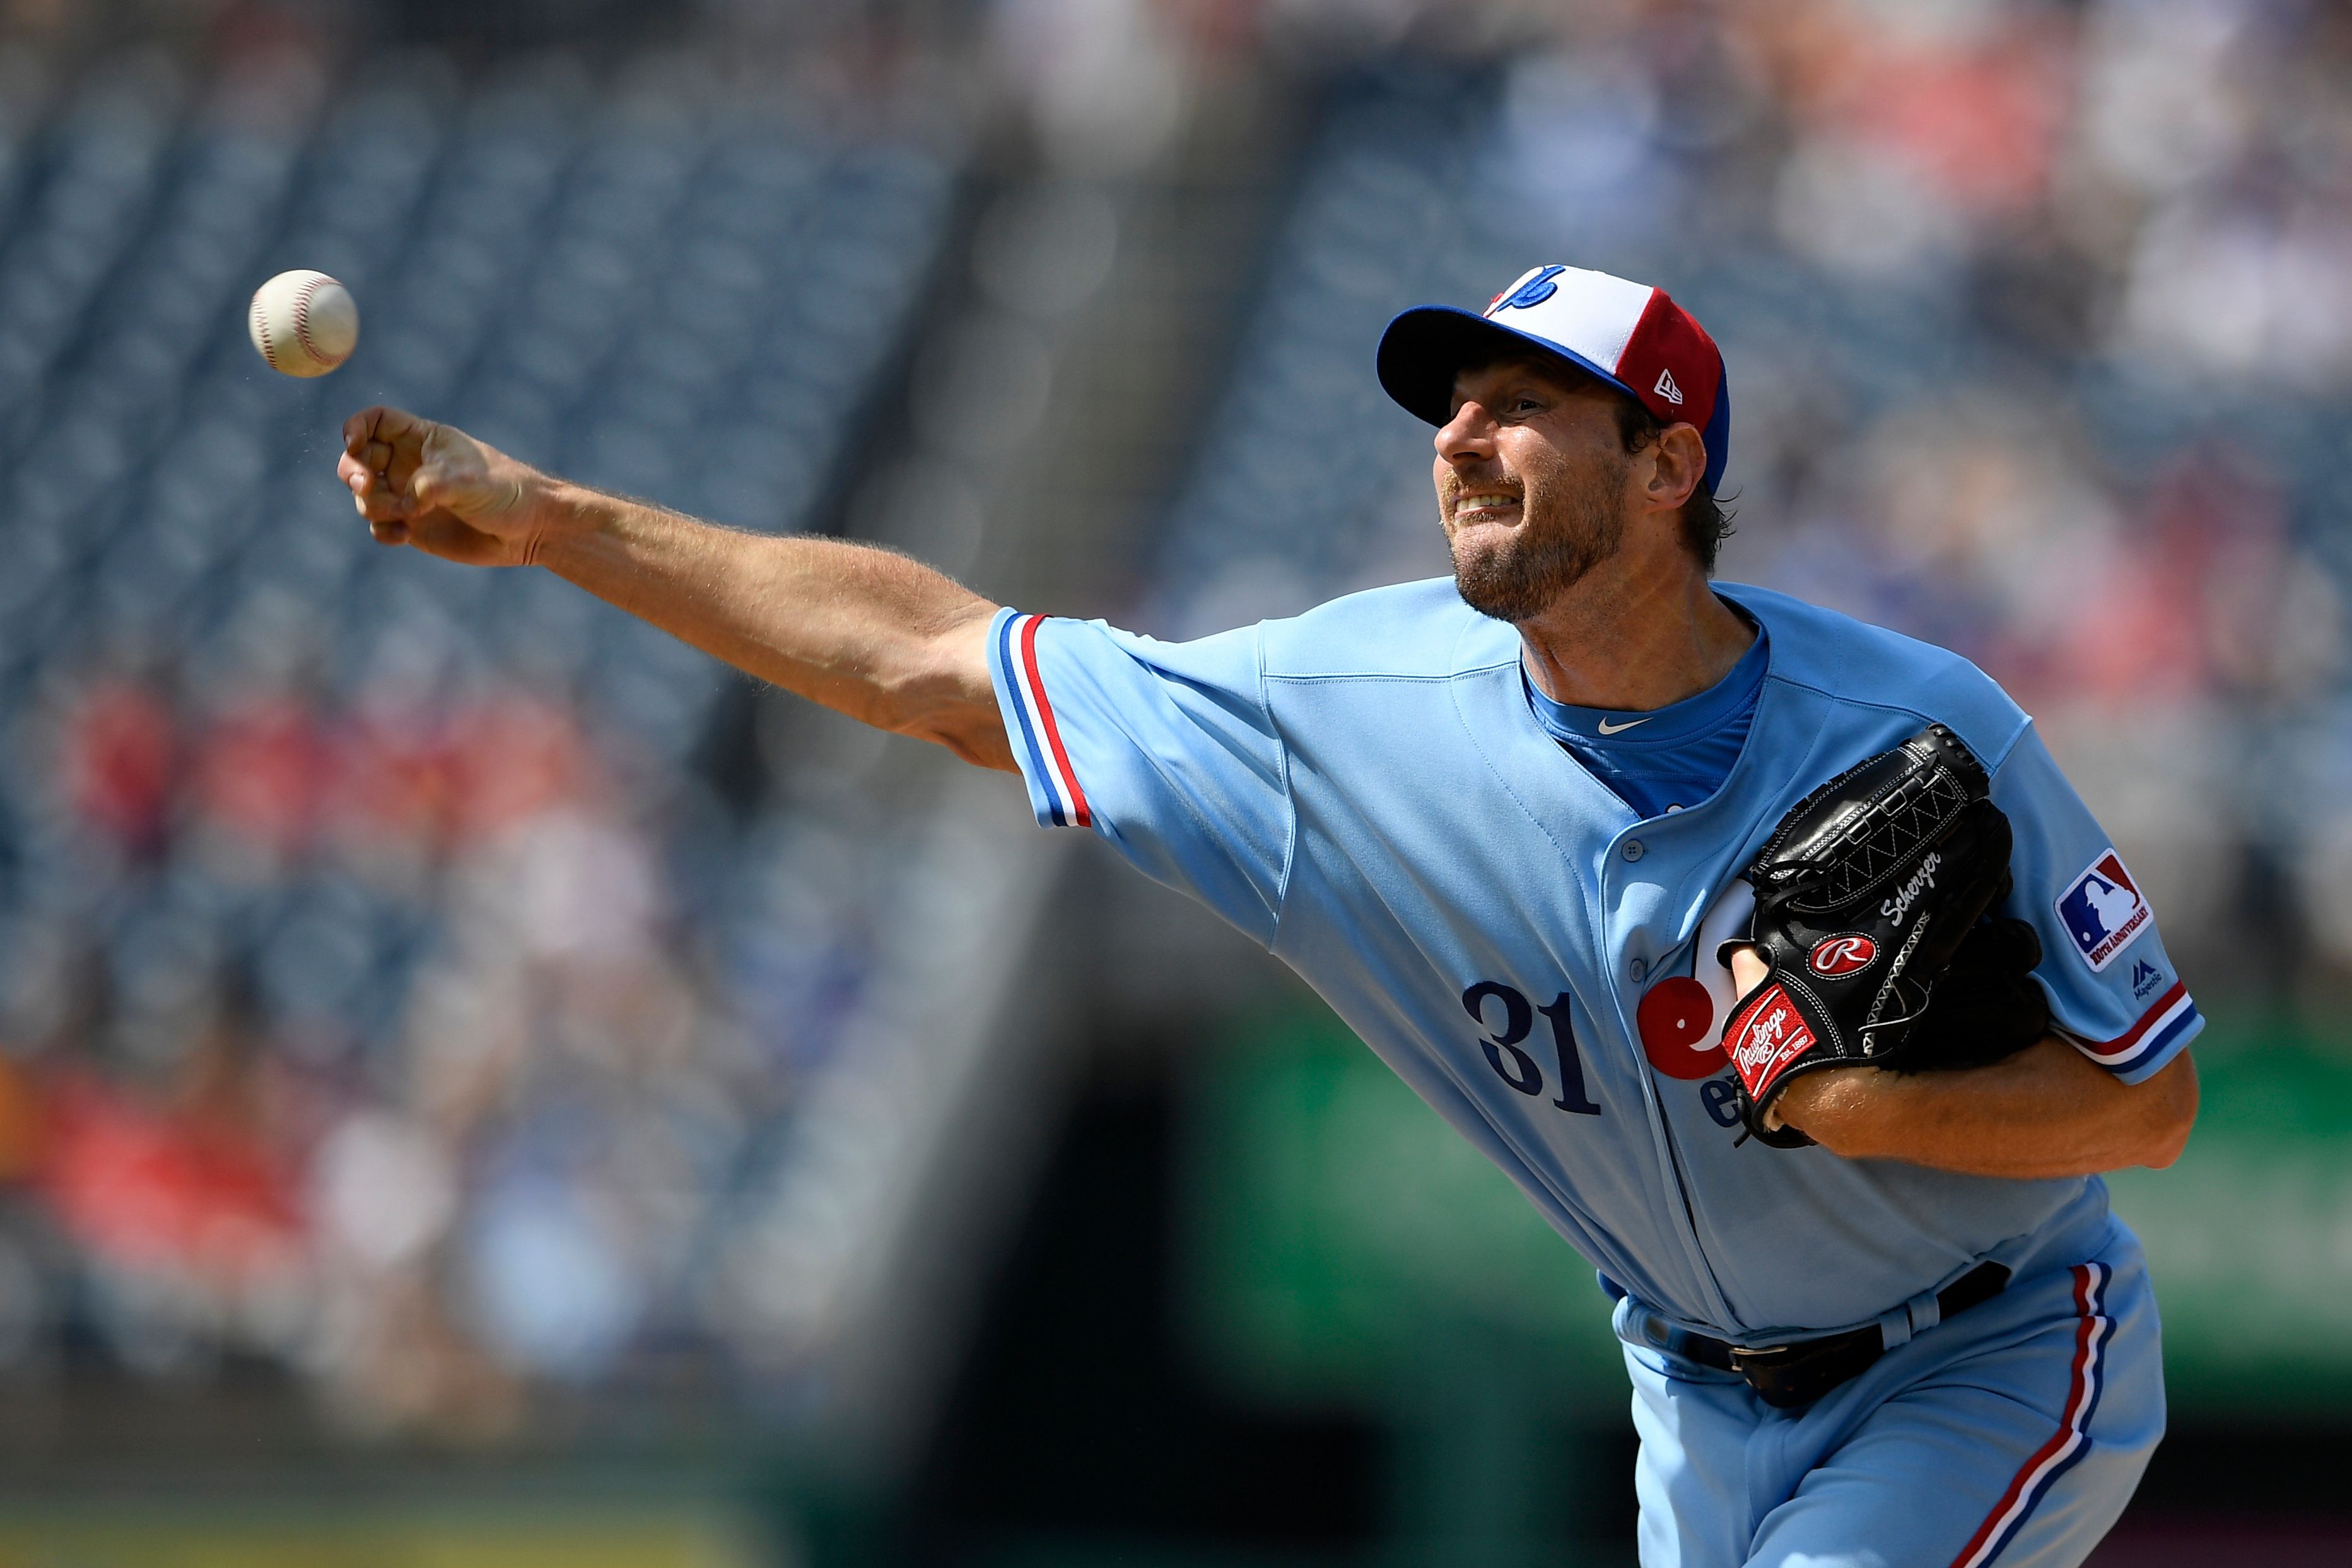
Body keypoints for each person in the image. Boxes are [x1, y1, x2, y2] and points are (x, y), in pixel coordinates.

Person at [338, 262, 2200, 1567]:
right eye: (1448, 408)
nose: (1461, 439)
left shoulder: (1916, 731)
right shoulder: (1340, 720)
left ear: (1666, 464)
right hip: (1692, 1393)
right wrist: (565, 521)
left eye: (1523, 406)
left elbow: (2148, 1100)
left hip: (1992, 1340)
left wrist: (1871, 1106)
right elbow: (927, 663)